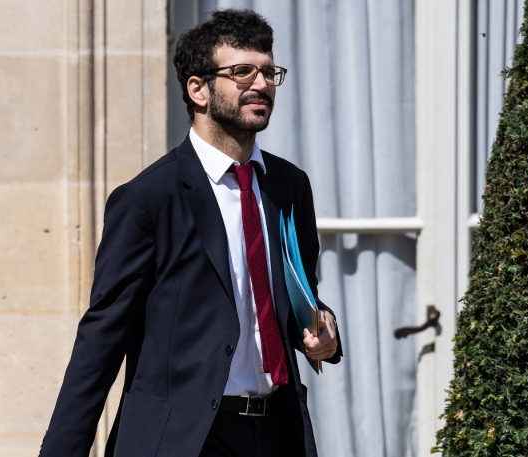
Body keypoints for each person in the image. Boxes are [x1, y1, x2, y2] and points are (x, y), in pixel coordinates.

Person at [40, 9, 342, 457]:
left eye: (268, 72)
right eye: (242, 72)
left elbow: (299, 291)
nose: (261, 84)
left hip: (280, 430)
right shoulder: (148, 197)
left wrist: (323, 329)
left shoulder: (289, 185)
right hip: (187, 437)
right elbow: (103, 335)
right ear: (197, 89)